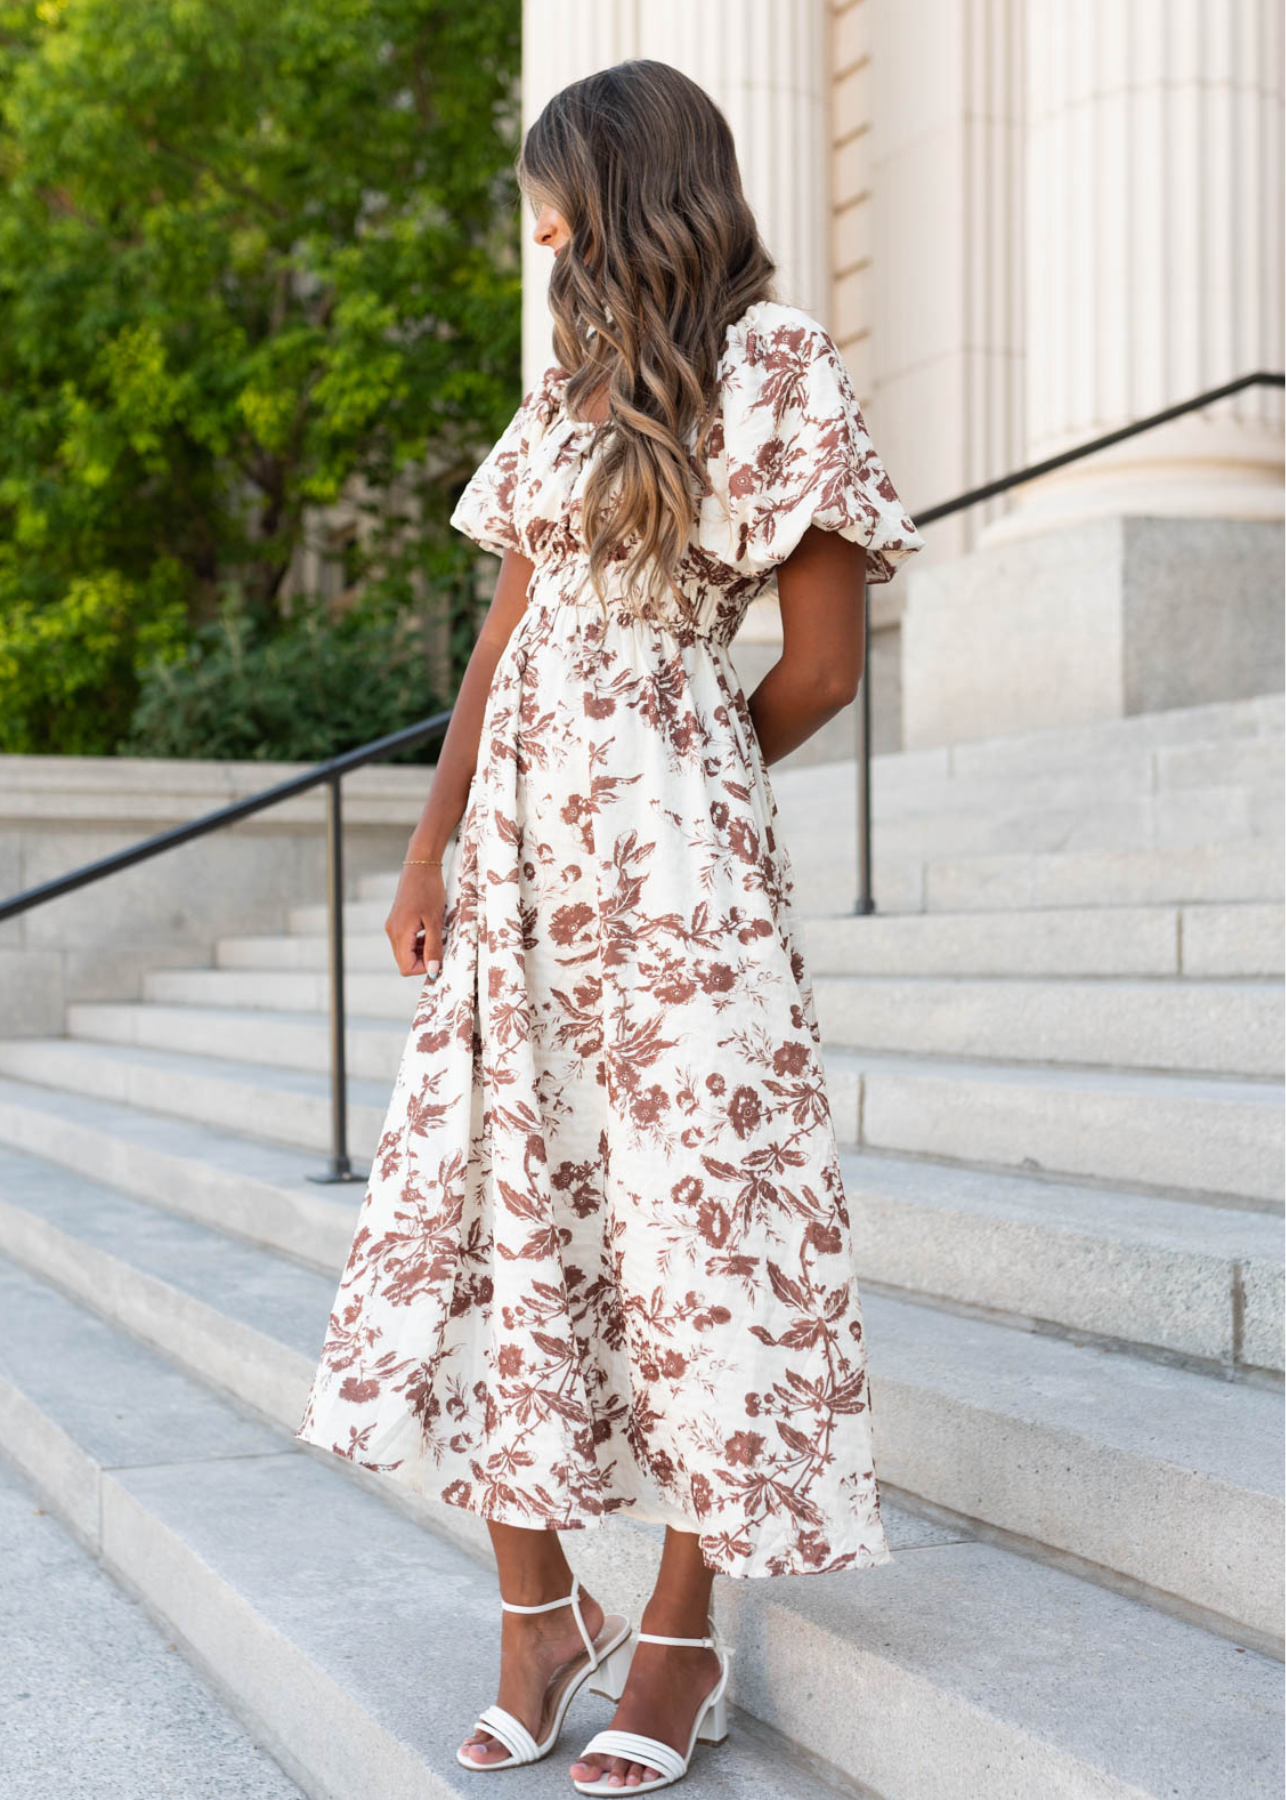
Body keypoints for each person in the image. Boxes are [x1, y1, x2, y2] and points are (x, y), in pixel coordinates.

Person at [294, 58, 925, 1796]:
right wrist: (428, 849)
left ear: (626, 181)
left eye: (551, 184)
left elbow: (815, 666)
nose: (536, 216)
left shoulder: (777, 363)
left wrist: (681, 786)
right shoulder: (564, 385)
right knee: (484, 1219)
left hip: (676, 893)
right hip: (509, 883)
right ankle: (533, 1617)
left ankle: (676, 1636)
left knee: (691, 1242)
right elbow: (497, 648)